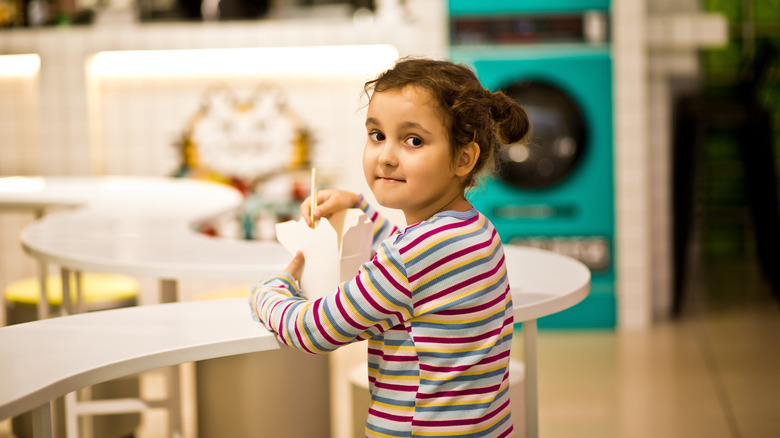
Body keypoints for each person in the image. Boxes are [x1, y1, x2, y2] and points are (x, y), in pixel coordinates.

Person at [249, 57, 531, 437]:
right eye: (377, 135)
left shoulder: (410, 258)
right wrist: (358, 207)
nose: (386, 155)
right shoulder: (476, 232)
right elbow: (416, 268)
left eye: (413, 140)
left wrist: (270, 292)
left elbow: (314, 329)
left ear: (464, 158)